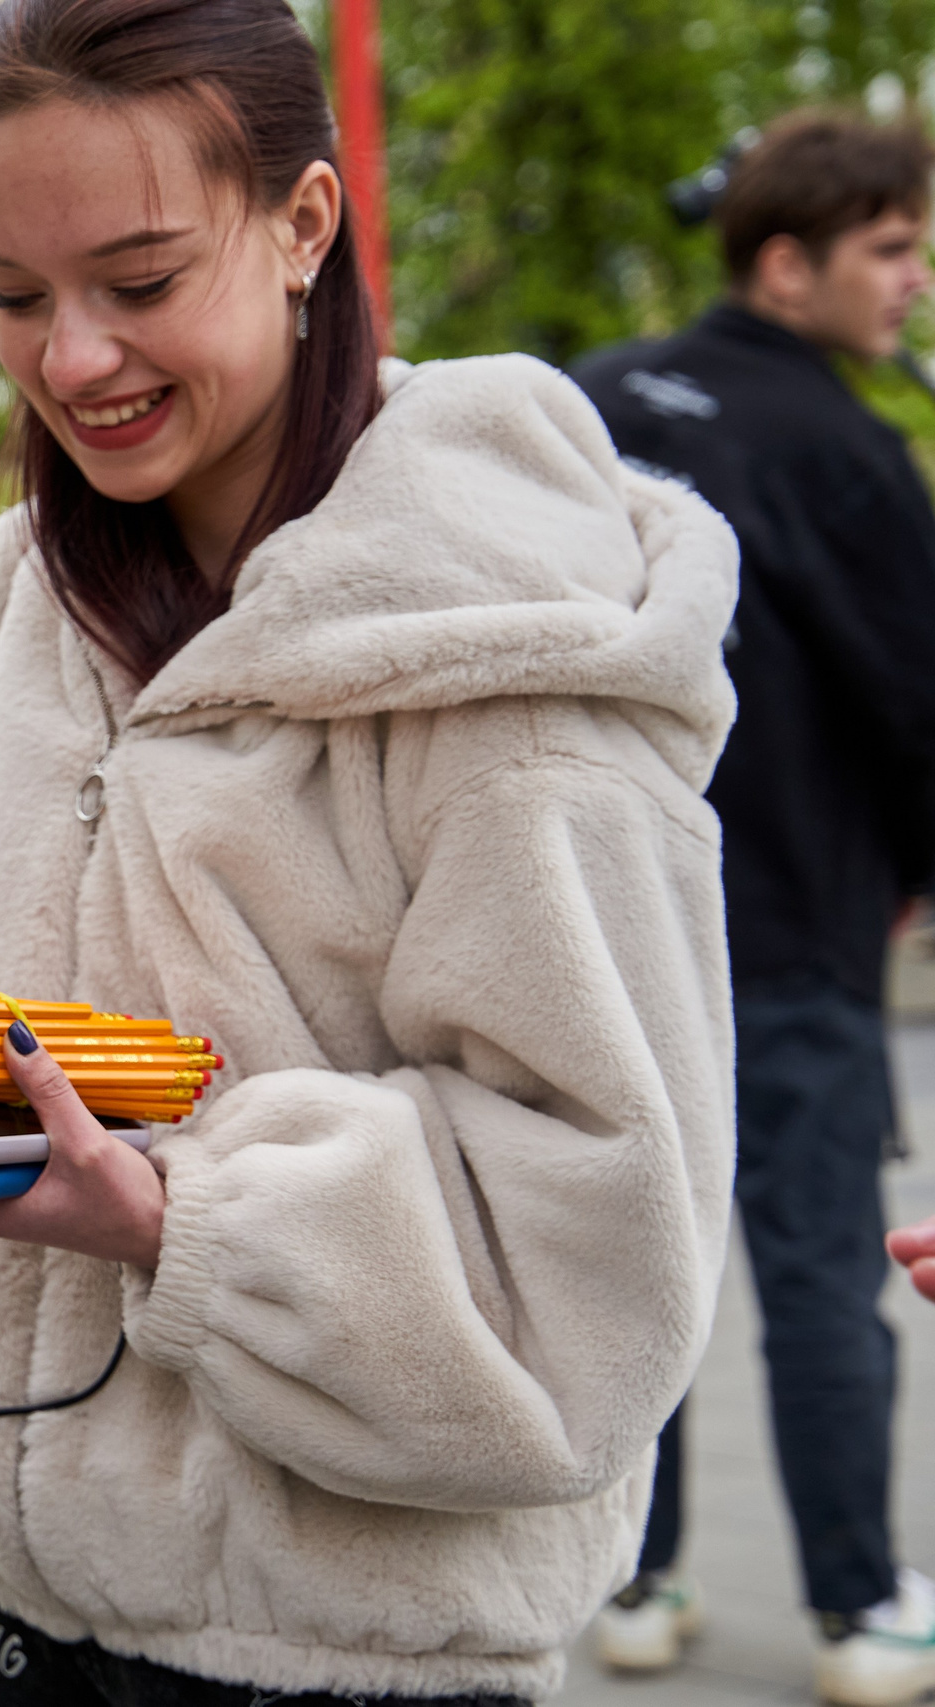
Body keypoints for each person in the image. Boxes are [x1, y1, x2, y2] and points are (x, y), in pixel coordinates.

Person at [0, 1, 738, 1703]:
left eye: (140, 281)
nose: (72, 358)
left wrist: (177, 1215)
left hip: (340, 1646)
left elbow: (596, 1266)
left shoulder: (503, 640)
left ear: (304, 224)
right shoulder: (9, 597)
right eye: (12, 294)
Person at [570, 111, 935, 1703]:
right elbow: (921, 708)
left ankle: (632, 1583)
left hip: (597, 929)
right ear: (788, 263)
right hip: (791, 931)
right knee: (817, 1277)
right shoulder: (849, 450)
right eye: (894, 248)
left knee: (631, 1266)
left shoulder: (587, 403)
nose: (916, 281)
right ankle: (861, 1610)